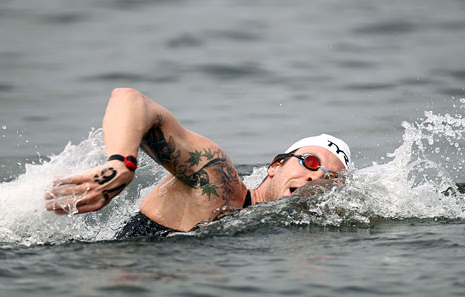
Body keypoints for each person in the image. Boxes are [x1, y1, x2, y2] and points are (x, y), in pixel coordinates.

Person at [45, 88, 351, 237]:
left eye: (331, 178)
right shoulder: (219, 181)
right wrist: (122, 163)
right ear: (275, 166)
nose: (317, 178)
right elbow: (129, 99)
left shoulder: (279, 230)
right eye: (311, 162)